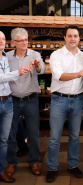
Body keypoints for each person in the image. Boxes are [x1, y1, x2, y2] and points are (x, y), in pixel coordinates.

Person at [46, 25, 83, 183]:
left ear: (79, 38)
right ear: (64, 38)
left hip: (77, 100)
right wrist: (78, 74)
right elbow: (58, 76)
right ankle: (51, 167)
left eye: (75, 36)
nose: (72, 38)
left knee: (75, 137)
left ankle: (72, 165)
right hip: (59, 100)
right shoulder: (56, 55)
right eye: (69, 36)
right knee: (54, 138)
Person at [6, 27, 46, 177]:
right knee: (11, 133)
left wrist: (38, 65)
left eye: (26, 40)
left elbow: (42, 70)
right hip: (12, 100)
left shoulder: (35, 54)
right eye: (21, 40)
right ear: (13, 42)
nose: (24, 43)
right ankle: (11, 163)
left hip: (31, 100)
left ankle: (34, 161)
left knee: (33, 133)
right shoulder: (7, 57)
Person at [0, 31, 29, 183]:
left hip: (7, 101)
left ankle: (1, 170)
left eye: (3, 39)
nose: (1, 41)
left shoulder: (5, 57)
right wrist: (17, 73)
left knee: (5, 139)